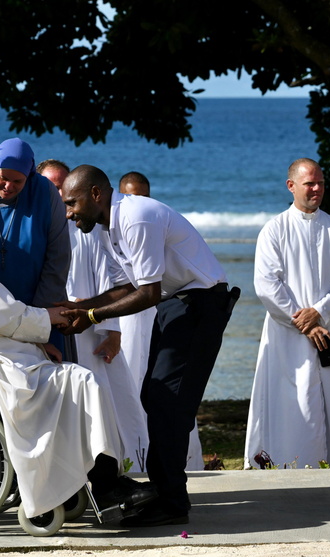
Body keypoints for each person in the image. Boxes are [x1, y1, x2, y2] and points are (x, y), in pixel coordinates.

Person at [0, 208, 156, 521]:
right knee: (83, 381)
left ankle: (78, 486)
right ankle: (105, 485)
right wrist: (49, 318)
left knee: (72, 382)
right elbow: (8, 317)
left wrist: (37, 340)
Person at [59, 165, 239, 527]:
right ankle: (167, 492)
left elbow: (148, 292)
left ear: (96, 194)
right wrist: (78, 307)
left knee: (166, 402)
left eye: (72, 202)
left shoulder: (136, 218)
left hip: (198, 304)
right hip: (180, 304)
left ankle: (171, 501)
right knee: (157, 399)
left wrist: (92, 316)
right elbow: (127, 286)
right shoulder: (114, 223)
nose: (68, 212)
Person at [243, 158, 330, 469]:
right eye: (309, 183)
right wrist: (305, 322)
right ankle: (288, 465)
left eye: (320, 183)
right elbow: (267, 285)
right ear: (291, 186)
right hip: (288, 335)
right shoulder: (274, 230)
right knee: (292, 405)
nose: (316, 189)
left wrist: (320, 312)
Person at [40, 161, 149, 470]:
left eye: (62, 186)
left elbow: (110, 277)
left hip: (90, 327)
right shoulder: (36, 224)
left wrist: (112, 330)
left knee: (106, 398)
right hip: (49, 326)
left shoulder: (85, 227)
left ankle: (121, 464)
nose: (58, 192)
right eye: (51, 185)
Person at [116, 171, 205, 473]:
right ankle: (133, 457)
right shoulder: (119, 227)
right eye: (131, 195)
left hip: (157, 309)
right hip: (129, 319)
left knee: (164, 386)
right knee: (132, 380)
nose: (138, 200)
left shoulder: (155, 223)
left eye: (143, 195)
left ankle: (177, 460)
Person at [0, 138, 72, 362]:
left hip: (42, 308)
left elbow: (58, 258)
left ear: (30, 176)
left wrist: (37, 324)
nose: (8, 186)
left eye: (18, 181)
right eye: (3, 178)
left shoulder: (45, 193)